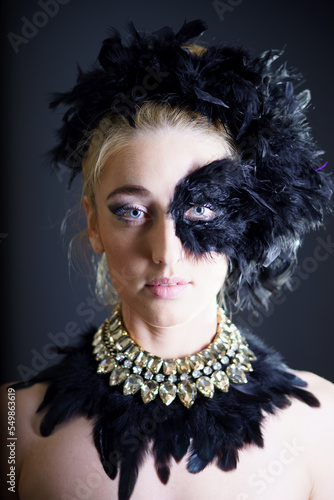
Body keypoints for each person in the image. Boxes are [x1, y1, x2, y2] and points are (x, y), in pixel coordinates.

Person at [1, 20, 334, 500]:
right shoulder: (13, 427)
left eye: (202, 209)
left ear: (247, 220)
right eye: (132, 211)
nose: (164, 252)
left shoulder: (320, 423)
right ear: (94, 222)